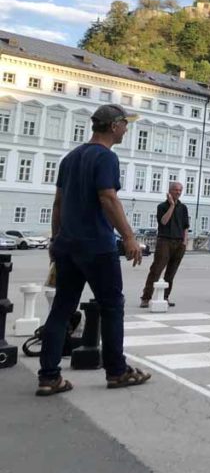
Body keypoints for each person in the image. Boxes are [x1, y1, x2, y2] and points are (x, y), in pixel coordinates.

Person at [36, 104, 152, 396]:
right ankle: (117, 370)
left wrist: (55, 240)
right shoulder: (105, 157)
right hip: (97, 246)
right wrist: (128, 237)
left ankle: (49, 376)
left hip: (67, 245)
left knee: (62, 310)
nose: (127, 129)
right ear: (113, 126)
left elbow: (59, 203)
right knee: (112, 306)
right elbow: (108, 198)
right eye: (125, 124)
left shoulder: (71, 158)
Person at [140, 181, 189, 308]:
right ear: (170, 191)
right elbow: (164, 222)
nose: (178, 192)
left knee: (171, 272)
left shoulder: (183, 208)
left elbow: (185, 227)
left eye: (180, 190)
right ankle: (146, 297)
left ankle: (165, 297)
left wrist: (184, 242)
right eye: (176, 190)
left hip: (179, 243)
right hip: (165, 241)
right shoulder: (162, 206)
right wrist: (172, 206)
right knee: (156, 270)